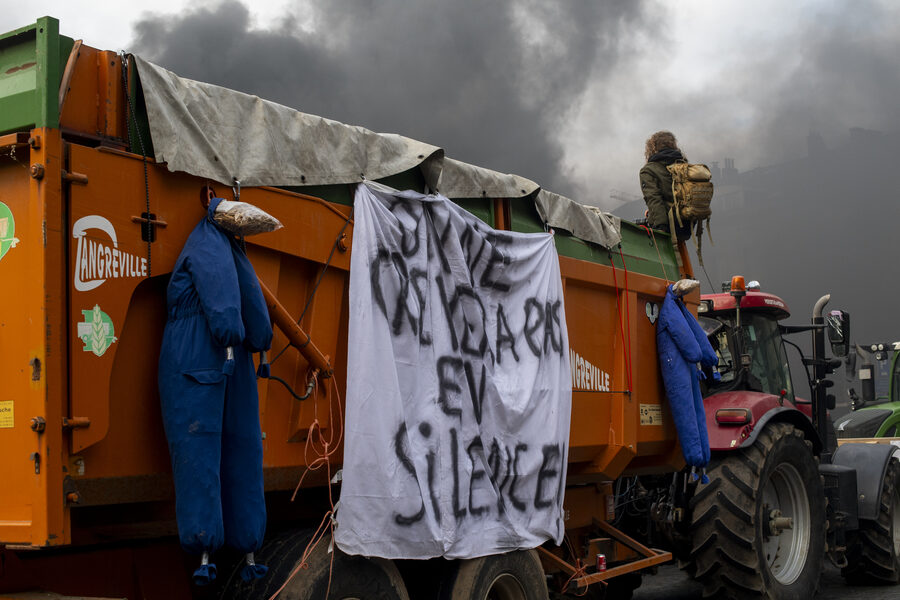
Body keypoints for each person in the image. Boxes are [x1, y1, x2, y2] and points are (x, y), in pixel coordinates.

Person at [640, 131, 689, 237]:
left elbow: (654, 198)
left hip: (668, 227)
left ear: (652, 148)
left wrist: (660, 228)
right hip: (687, 224)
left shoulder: (649, 170)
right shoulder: (683, 165)